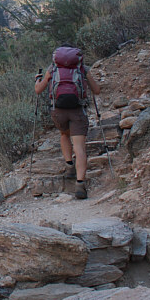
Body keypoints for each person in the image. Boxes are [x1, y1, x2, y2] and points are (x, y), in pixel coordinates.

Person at [34, 45, 101, 199]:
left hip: (58, 111)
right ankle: (80, 184)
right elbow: (96, 90)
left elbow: (38, 90)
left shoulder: (52, 69)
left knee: (64, 134)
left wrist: (38, 80)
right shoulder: (82, 68)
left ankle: (69, 165)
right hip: (78, 110)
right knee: (80, 147)